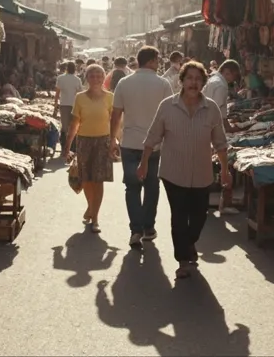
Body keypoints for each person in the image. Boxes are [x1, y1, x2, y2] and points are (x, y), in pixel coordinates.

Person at [139, 61, 230, 279]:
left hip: (202, 174)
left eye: (198, 79)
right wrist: (143, 163)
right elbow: (153, 137)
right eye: (189, 78)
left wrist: (225, 170)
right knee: (179, 217)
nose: (193, 82)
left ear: (203, 83)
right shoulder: (167, 106)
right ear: (181, 81)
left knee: (199, 217)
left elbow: (220, 142)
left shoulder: (211, 109)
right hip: (173, 173)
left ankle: (189, 243)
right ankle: (183, 260)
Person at [110, 47, 173, 248]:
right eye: (158, 59)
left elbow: (116, 114)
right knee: (152, 187)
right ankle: (148, 228)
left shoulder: (124, 82)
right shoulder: (163, 84)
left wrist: (112, 139)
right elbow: (170, 116)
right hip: (154, 145)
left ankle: (135, 230)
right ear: (153, 61)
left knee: (132, 187)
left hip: (129, 143)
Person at [63, 64, 113, 233]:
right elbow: (74, 123)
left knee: (98, 180)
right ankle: (90, 206)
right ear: (87, 78)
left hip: (103, 142)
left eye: (99, 75)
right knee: (86, 179)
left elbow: (115, 122)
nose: (96, 79)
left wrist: (116, 142)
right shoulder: (80, 97)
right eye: (92, 76)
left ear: (103, 77)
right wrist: (67, 147)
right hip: (84, 142)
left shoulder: (110, 98)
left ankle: (95, 217)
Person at [202, 60, 242, 214]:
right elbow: (217, 110)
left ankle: (214, 203)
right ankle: (224, 204)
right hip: (212, 130)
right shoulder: (221, 84)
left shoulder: (213, 80)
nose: (233, 80)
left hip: (207, 128)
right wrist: (228, 128)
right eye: (233, 76)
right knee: (224, 166)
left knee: (211, 168)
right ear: (227, 71)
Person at [55, 62, 83, 153]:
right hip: (75, 105)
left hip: (64, 105)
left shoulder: (60, 78)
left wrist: (55, 105)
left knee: (64, 126)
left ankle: (64, 146)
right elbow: (80, 93)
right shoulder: (77, 79)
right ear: (75, 69)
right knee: (74, 125)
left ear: (66, 68)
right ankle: (73, 147)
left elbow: (57, 93)